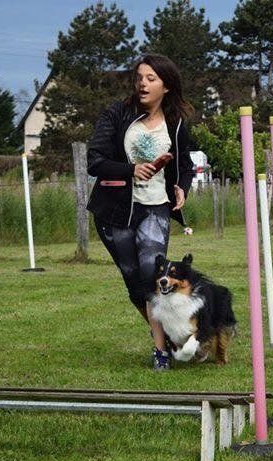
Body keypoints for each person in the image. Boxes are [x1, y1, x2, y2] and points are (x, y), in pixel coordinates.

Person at [87, 53, 194, 371]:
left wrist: (181, 186)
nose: (143, 84)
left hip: (155, 208)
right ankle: (165, 334)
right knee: (136, 285)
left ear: (166, 86)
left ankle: (161, 351)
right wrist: (130, 169)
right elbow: (95, 160)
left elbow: (184, 164)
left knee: (152, 276)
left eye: (151, 78)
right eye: (139, 78)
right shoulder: (117, 113)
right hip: (114, 211)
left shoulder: (176, 123)